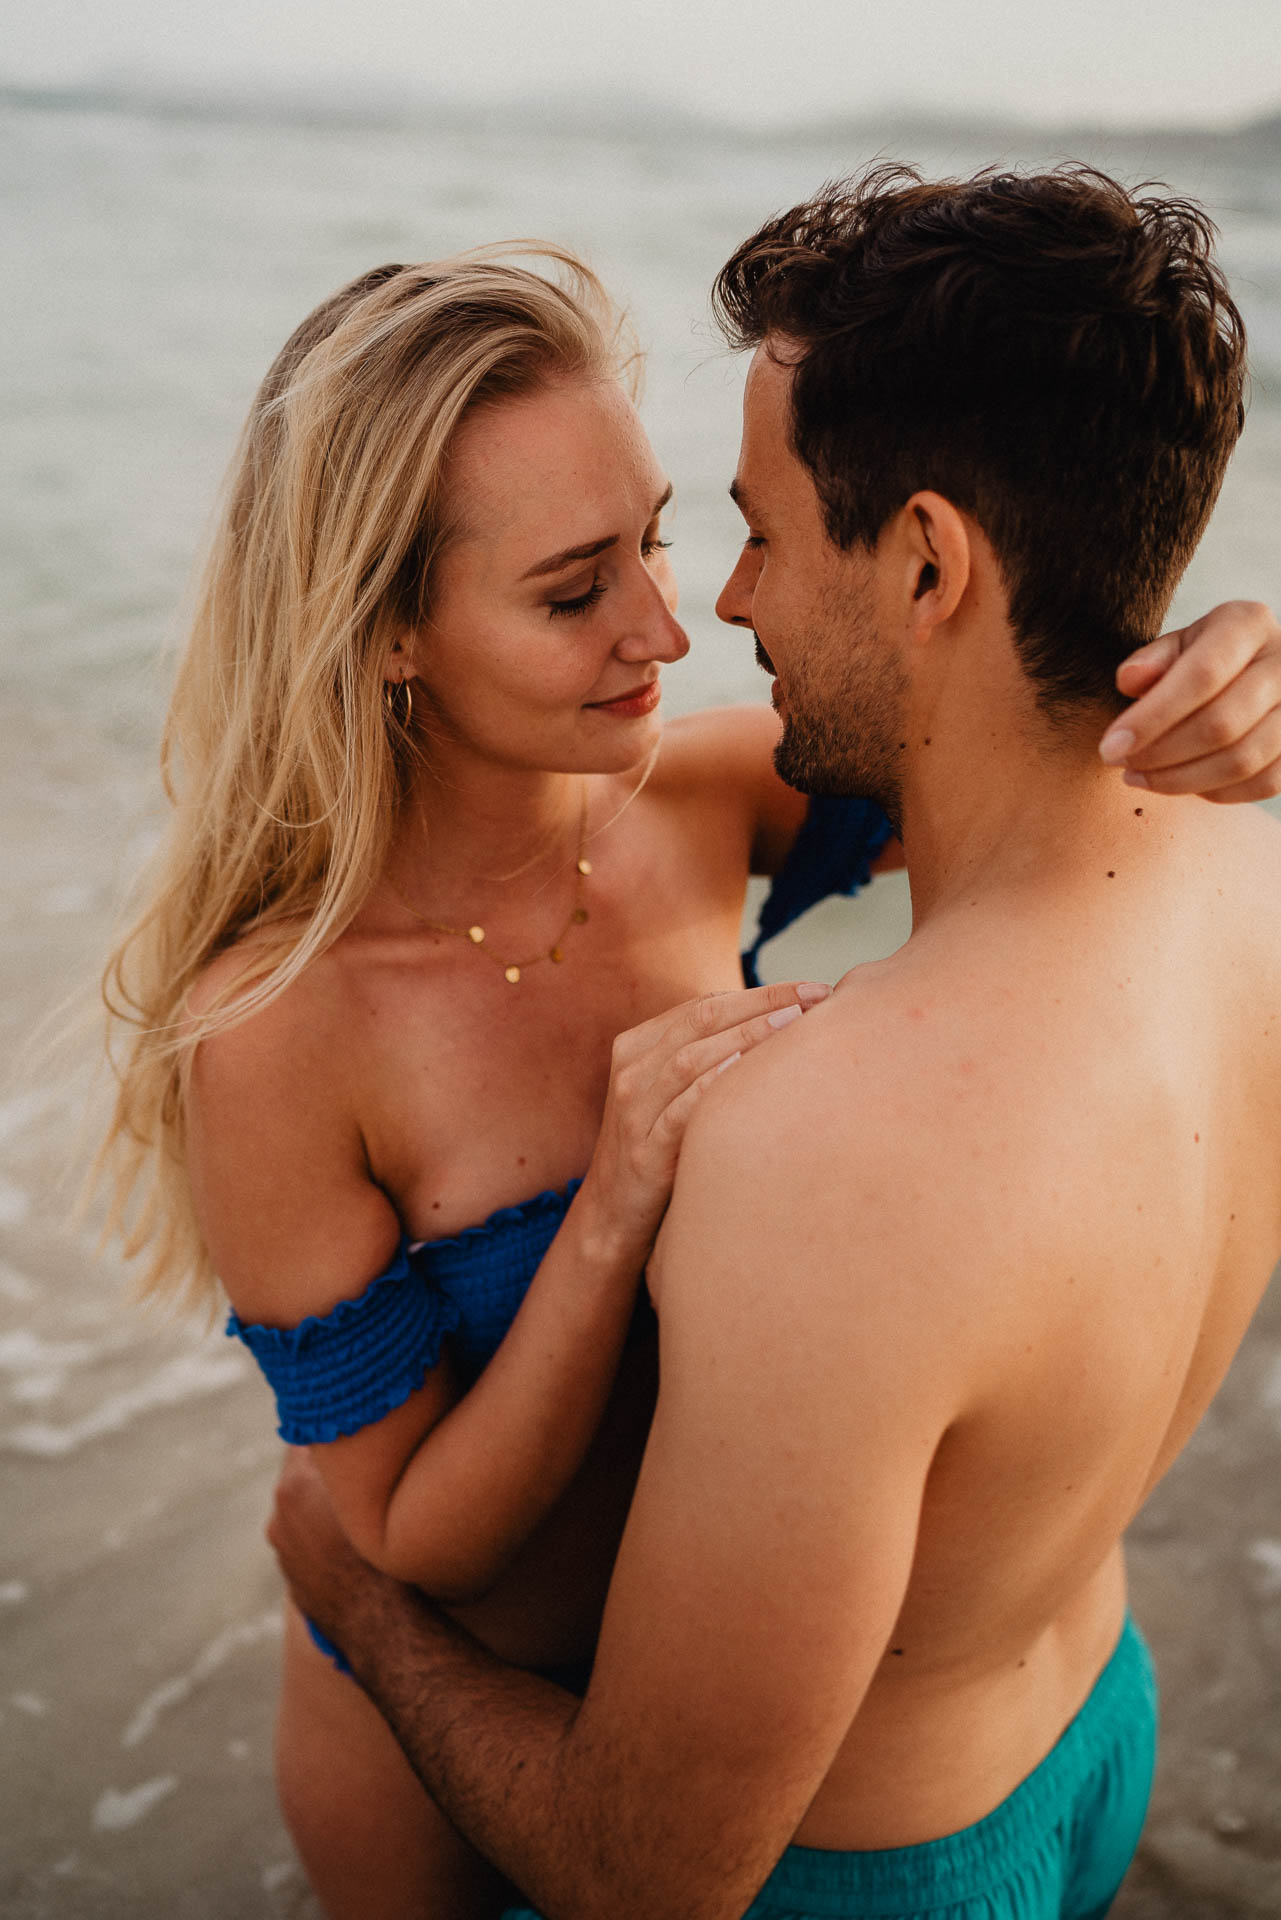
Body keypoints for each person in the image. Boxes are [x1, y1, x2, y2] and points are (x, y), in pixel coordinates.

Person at [267, 166, 1281, 1920]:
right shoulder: (1244, 870)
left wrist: (363, 1617)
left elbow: (641, 1877)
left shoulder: (818, 1153)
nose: (708, 611)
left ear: (925, 557)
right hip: (1092, 1735)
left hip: (869, 1869)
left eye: (747, 526)